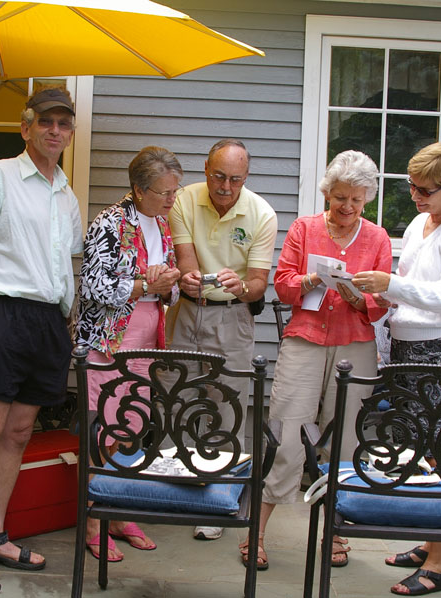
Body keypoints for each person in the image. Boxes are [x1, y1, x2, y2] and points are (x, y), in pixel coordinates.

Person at [0, 86, 83, 598]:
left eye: (63, 124)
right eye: (45, 122)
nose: (55, 131)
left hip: (48, 322)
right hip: (5, 314)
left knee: (19, 433)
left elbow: (64, 262)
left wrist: (65, 320)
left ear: (70, 133)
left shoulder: (65, 192)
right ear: (26, 128)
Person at [352, 141, 441, 596]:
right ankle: (431, 539)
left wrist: (391, 284)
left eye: (426, 190)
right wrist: (375, 294)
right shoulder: (420, 221)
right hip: (409, 345)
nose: (416, 196)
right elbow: (411, 287)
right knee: (416, 445)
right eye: (411, 187)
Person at [247, 150, 391, 571]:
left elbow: (381, 302)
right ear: (327, 193)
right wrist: (312, 278)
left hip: (356, 344)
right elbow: (284, 285)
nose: (346, 207)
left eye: (357, 201)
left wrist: (356, 295)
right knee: (287, 434)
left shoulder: (378, 238)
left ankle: (336, 531)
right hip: (306, 340)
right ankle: (256, 529)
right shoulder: (304, 228)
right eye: (340, 197)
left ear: (367, 200)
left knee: (345, 439)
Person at [166, 138, 278, 542]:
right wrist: (191, 278)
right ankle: (174, 492)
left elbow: (259, 284)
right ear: (205, 169)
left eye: (234, 179)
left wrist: (242, 286)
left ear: (245, 178)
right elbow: (185, 261)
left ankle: (220, 499)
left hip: (234, 317)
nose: (225, 186)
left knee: (226, 403)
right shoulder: (183, 199)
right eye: (218, 176)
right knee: (176, 397)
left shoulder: (262, 214)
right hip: (187, 312)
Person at [74, 146, 182, 562]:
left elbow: (166, 286)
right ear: (138, 189)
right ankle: (92, 518)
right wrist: (143, 286)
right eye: (164, 192)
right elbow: (93, 288)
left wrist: (168, 283)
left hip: (146, 337)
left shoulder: (161, 222)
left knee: (131, 424)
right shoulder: (109, 222)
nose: (172, 200)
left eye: (175, 191)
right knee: (104, 428)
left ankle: (116, 513)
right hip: (108, 341)